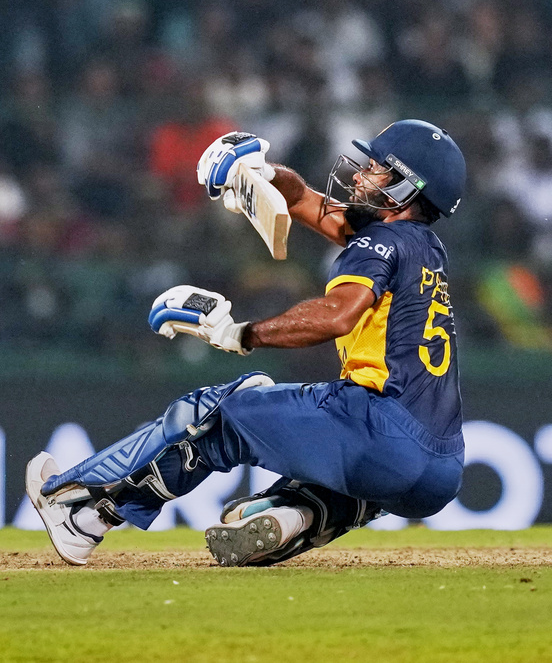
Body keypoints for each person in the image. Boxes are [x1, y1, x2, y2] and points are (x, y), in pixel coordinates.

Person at [26, 120, 467, 567]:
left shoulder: (380, 240)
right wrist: (259, 173)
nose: (359, 175)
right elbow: (303, 199)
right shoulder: (426, 247)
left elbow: (337, 315)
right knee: (354, 477)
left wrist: (240, 333)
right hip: (442, 467)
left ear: (406, 188)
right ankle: (296, 515)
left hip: (381, 431)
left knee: (218, 414)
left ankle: (81, 515)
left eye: (375, 169)